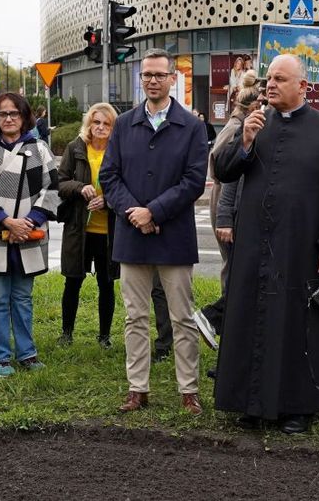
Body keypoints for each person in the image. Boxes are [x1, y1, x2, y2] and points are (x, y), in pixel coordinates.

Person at [212, 54, 319, 435]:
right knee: (253, 319)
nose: (270, 85)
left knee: (299, 324)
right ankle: (250, 402)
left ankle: (299, 407)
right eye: (268, 79)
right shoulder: (256, 123)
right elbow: (223, 170)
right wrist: (244, 140)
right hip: (255, 247)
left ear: (302, 86)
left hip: (303, 248)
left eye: (279, 79)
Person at [100, 48, 208, 415]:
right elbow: (109, 176)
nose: (153, 81)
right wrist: (135, 213)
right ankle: (137, 388)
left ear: (172, 79)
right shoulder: (124, 124)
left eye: (160, 75)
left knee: (182, 317)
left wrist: (155, 211)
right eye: (147, 75)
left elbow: (194, 181)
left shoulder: (191, 126)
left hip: (173, 235)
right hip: (132, 235)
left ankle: (188, 389)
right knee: (135, 317)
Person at [0, 92, 60, 378]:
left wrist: (30, 222)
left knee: (22, 297)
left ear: (24, 116)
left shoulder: (39, 148)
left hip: (30, 234)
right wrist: (6, 221)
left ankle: (27, 353)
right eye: (3, 114)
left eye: (14, 113)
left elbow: (52, 188)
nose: (9, 119)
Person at [192, 69, 261, 352]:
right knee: (237, 274)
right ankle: (217, 322)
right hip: (229, 208)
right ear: (253, 106)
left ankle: (231, 335)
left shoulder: (243, 125)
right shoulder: (238, 128)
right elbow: (222, 167)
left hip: (233, 208)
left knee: (241, 274)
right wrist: (225, 217)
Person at [57, 102, 119, 349]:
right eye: (96, 122)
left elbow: (128, 186)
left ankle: (104, 337)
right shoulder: (75, 148)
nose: (100, 127)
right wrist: (80, 187)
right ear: (89, 124)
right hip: (78, 228)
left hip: (108, 231)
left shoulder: (119, 150)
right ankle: (66, 334)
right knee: (72, 281)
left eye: (106, 124)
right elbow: (60, 182)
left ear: (113, 127)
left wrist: (107, 201)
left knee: (107, 284)